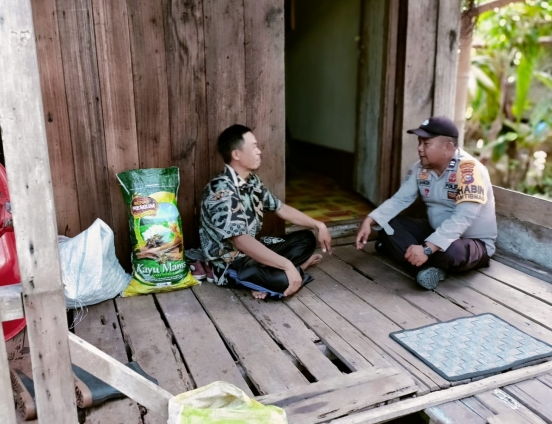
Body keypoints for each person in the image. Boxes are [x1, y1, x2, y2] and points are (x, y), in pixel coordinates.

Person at [355, 116, 497, 290]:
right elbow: (401, 199)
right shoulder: (420, 169)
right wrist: (369, 220)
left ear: (448, 147)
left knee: (451, 251)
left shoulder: (469, 170)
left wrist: (427, 249)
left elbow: (463, 217)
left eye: (426, 143)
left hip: (470, 242)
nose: (419, 149)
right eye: (419, 142)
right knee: (387, 225)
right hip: (435, 232)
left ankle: (406, 256)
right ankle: (427, 269)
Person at [199, 124, 332, 299]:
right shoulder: (221, 191)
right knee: (284, 280)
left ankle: (274, 277)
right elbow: (241, 241)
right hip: (231, 263)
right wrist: (287, 265)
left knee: (306, 238)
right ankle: (290, 273)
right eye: (254, 147)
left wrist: (319, 225)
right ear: (236, 154)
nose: (259, 151)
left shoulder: (252, 181)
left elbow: (280, 208)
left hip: (252, 253)